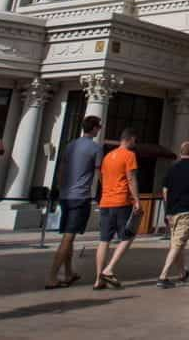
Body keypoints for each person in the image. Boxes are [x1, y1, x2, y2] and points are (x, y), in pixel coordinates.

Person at [46, 115, 103, 289]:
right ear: (94, 128)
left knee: (68, 237)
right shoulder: (95, 148)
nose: (99, 130)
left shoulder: (70, 146)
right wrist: (105, 191)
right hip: (80, 197)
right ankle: (52, 276)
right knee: (68, 237)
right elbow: (100, 173)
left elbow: (61, 171)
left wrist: (61, 189)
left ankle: (69, 272)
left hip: (66, 196)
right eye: (98, 127)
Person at [94, 128, 141, 290]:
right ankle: (109, 269)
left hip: (105, 201)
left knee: (104, 240)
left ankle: (98, 279)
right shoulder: (129, 155)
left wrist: (107, 189)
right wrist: (137, 200)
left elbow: (100, 176)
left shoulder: (108, 156)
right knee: (128, 236)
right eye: (135, 140)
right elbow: (131, 178)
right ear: (130, 139)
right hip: (121, 201)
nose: (135, 143)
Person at [157, 141, 189, 288]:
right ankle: (163, 276)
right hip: (186, 211)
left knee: (176, 243)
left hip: (171, 211)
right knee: (178, 244)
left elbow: (165, 190)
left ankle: (182, 273)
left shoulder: (172, 168)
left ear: (180, 152)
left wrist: (168, 208)